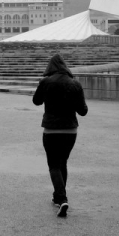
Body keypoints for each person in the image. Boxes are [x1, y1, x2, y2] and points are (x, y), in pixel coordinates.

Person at [32, 54, 88, 217]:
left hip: (51, 130)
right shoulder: (75, 84)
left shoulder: (46, 82)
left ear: (50, 67)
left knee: (54, 165)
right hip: (70, 131)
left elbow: (36, 101)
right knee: (62, 162)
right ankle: (58, 197)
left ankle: (62, 199)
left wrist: (42, 88)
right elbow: (83, 111)